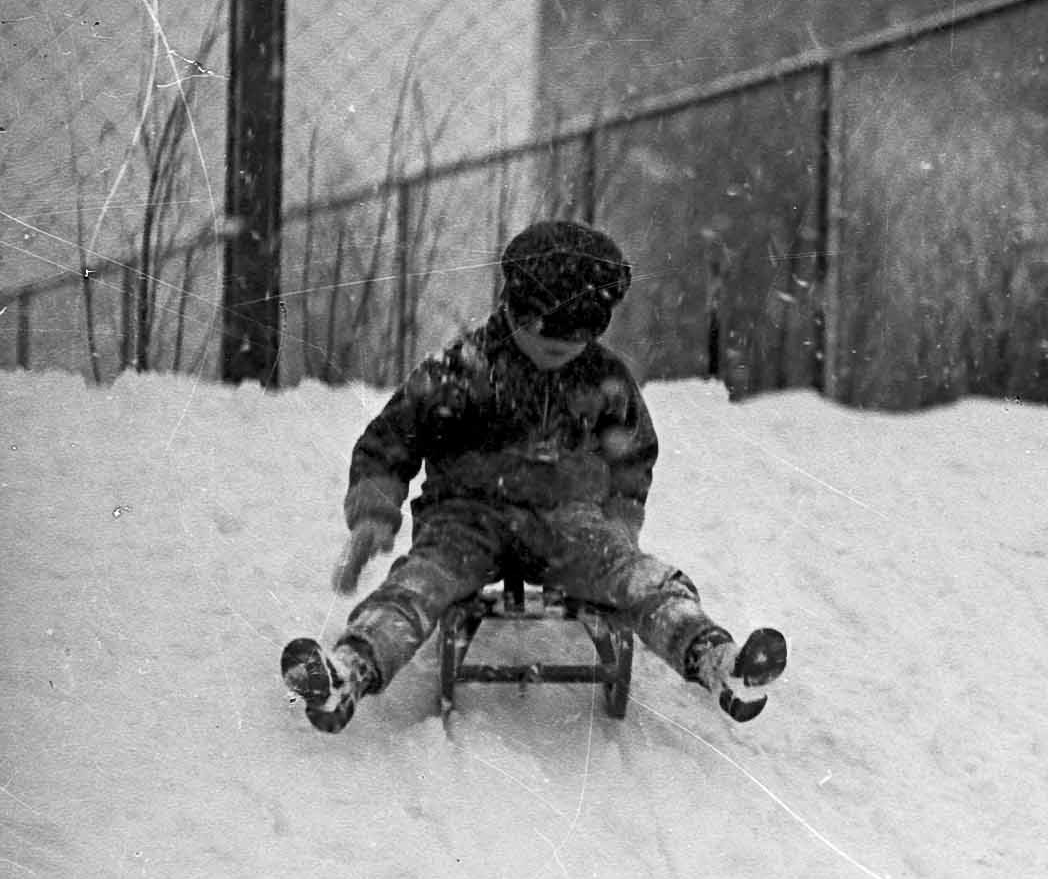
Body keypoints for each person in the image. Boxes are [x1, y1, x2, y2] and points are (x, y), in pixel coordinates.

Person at [278, 219, 788, 734]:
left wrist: (621, 517)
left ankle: (716, 660)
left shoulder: (604, 378)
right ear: (513, 308)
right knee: (420, 583)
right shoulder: (462, 370)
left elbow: (633, 453)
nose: (558, 352)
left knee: (637, 577)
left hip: (567, 520)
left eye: (574, 343)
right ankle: (350, 671)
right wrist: (373, 513)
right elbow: (389, 443)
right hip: (466, 518)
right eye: (544, 337)